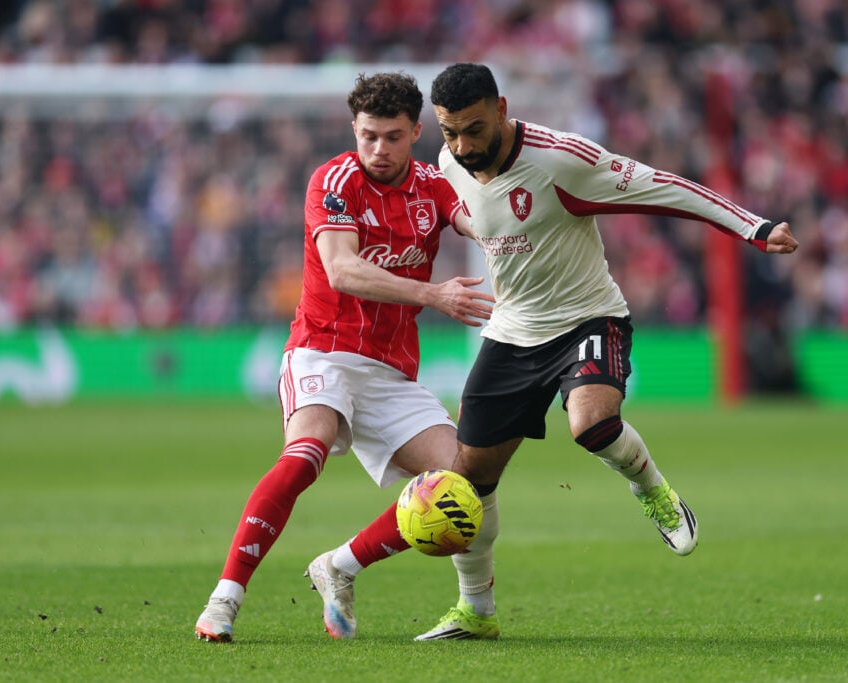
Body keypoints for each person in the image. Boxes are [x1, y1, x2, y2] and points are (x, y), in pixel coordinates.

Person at [410, 62, 799, 639]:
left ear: (501, 108)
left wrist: (753, 227)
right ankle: (476, 611)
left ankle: (654, 491)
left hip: (588, 317)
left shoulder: (562, 159)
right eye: (449, 132)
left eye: (473, 129)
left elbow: (664, 187)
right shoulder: (449, 164)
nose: (463, 145)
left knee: (590, 423)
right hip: (513, 332)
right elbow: (474, 217)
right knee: (469, 481)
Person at [194, 71, 497, 642]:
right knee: (304, 455)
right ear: (354, 130)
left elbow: (483, 224)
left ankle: (341, 567)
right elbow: (342, 269)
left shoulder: (434, 187)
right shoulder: (334, 181)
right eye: (368, 136)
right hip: (323, 351)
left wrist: (511, 232)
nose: (378, 150)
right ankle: (224, 600)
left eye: (392, 137)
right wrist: (435, 294)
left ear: (415, 133)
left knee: (463, 485)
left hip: (390, 372)